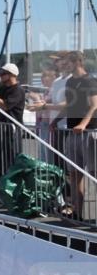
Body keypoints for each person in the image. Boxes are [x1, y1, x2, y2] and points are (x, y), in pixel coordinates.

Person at [50, 51, 97, 219]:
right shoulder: (70, 82)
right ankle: (77, 212)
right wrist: (56, 120)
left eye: (67, 62)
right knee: (74, 174)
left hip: (88, 132)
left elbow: (94, 105)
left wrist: (83, 124)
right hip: (72, 132)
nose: (64, 65)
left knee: (93, 172)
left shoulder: (89, 80)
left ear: (77, 62)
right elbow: (70, 105)